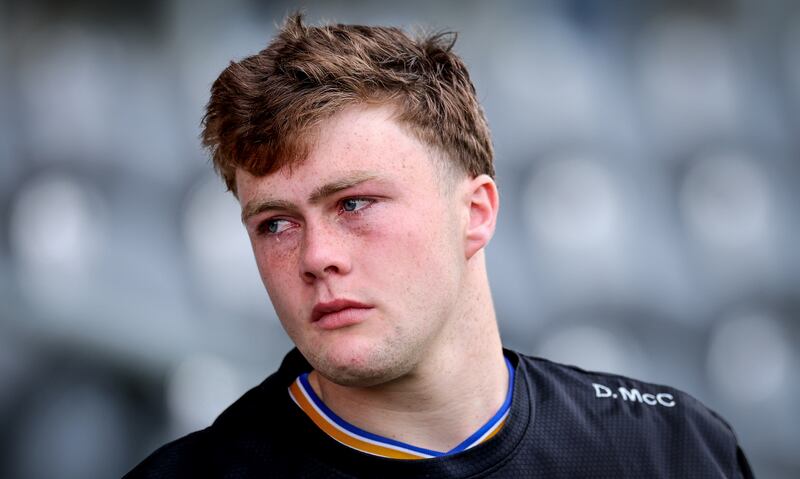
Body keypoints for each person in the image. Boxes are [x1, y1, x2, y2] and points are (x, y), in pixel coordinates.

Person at [125, 13, 753, 478]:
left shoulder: (671, 449)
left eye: (354, 204)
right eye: (275, 224)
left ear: (475, 214)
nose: (316, 258)